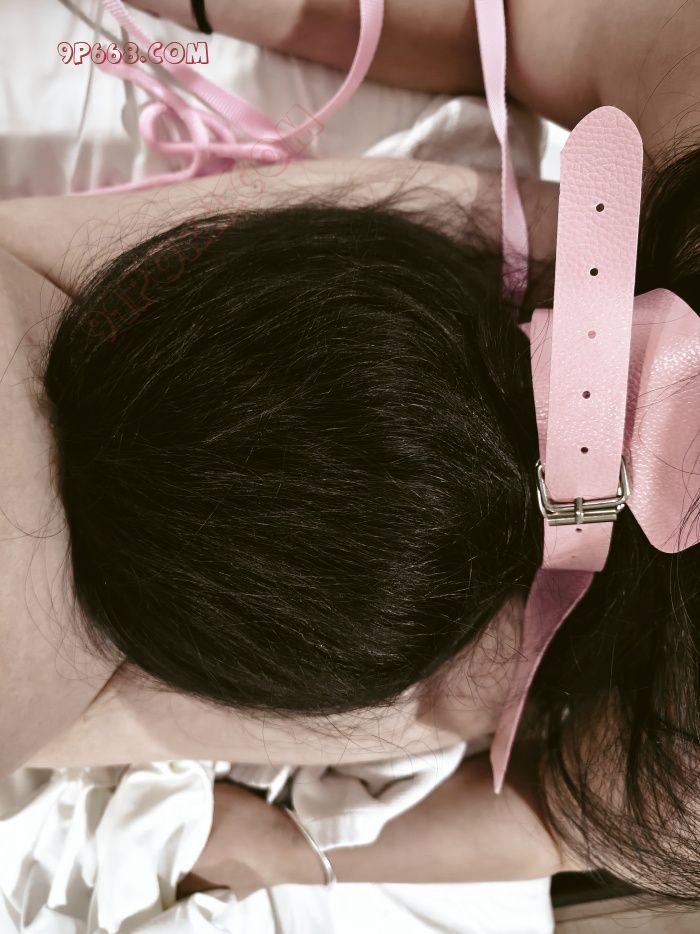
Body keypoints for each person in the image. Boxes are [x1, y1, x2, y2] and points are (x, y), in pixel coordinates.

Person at [0, 0, 697, 905]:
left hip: (391, 546)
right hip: (353, 586)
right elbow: (563, 816)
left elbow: (566, 816)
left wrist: (299, 853)